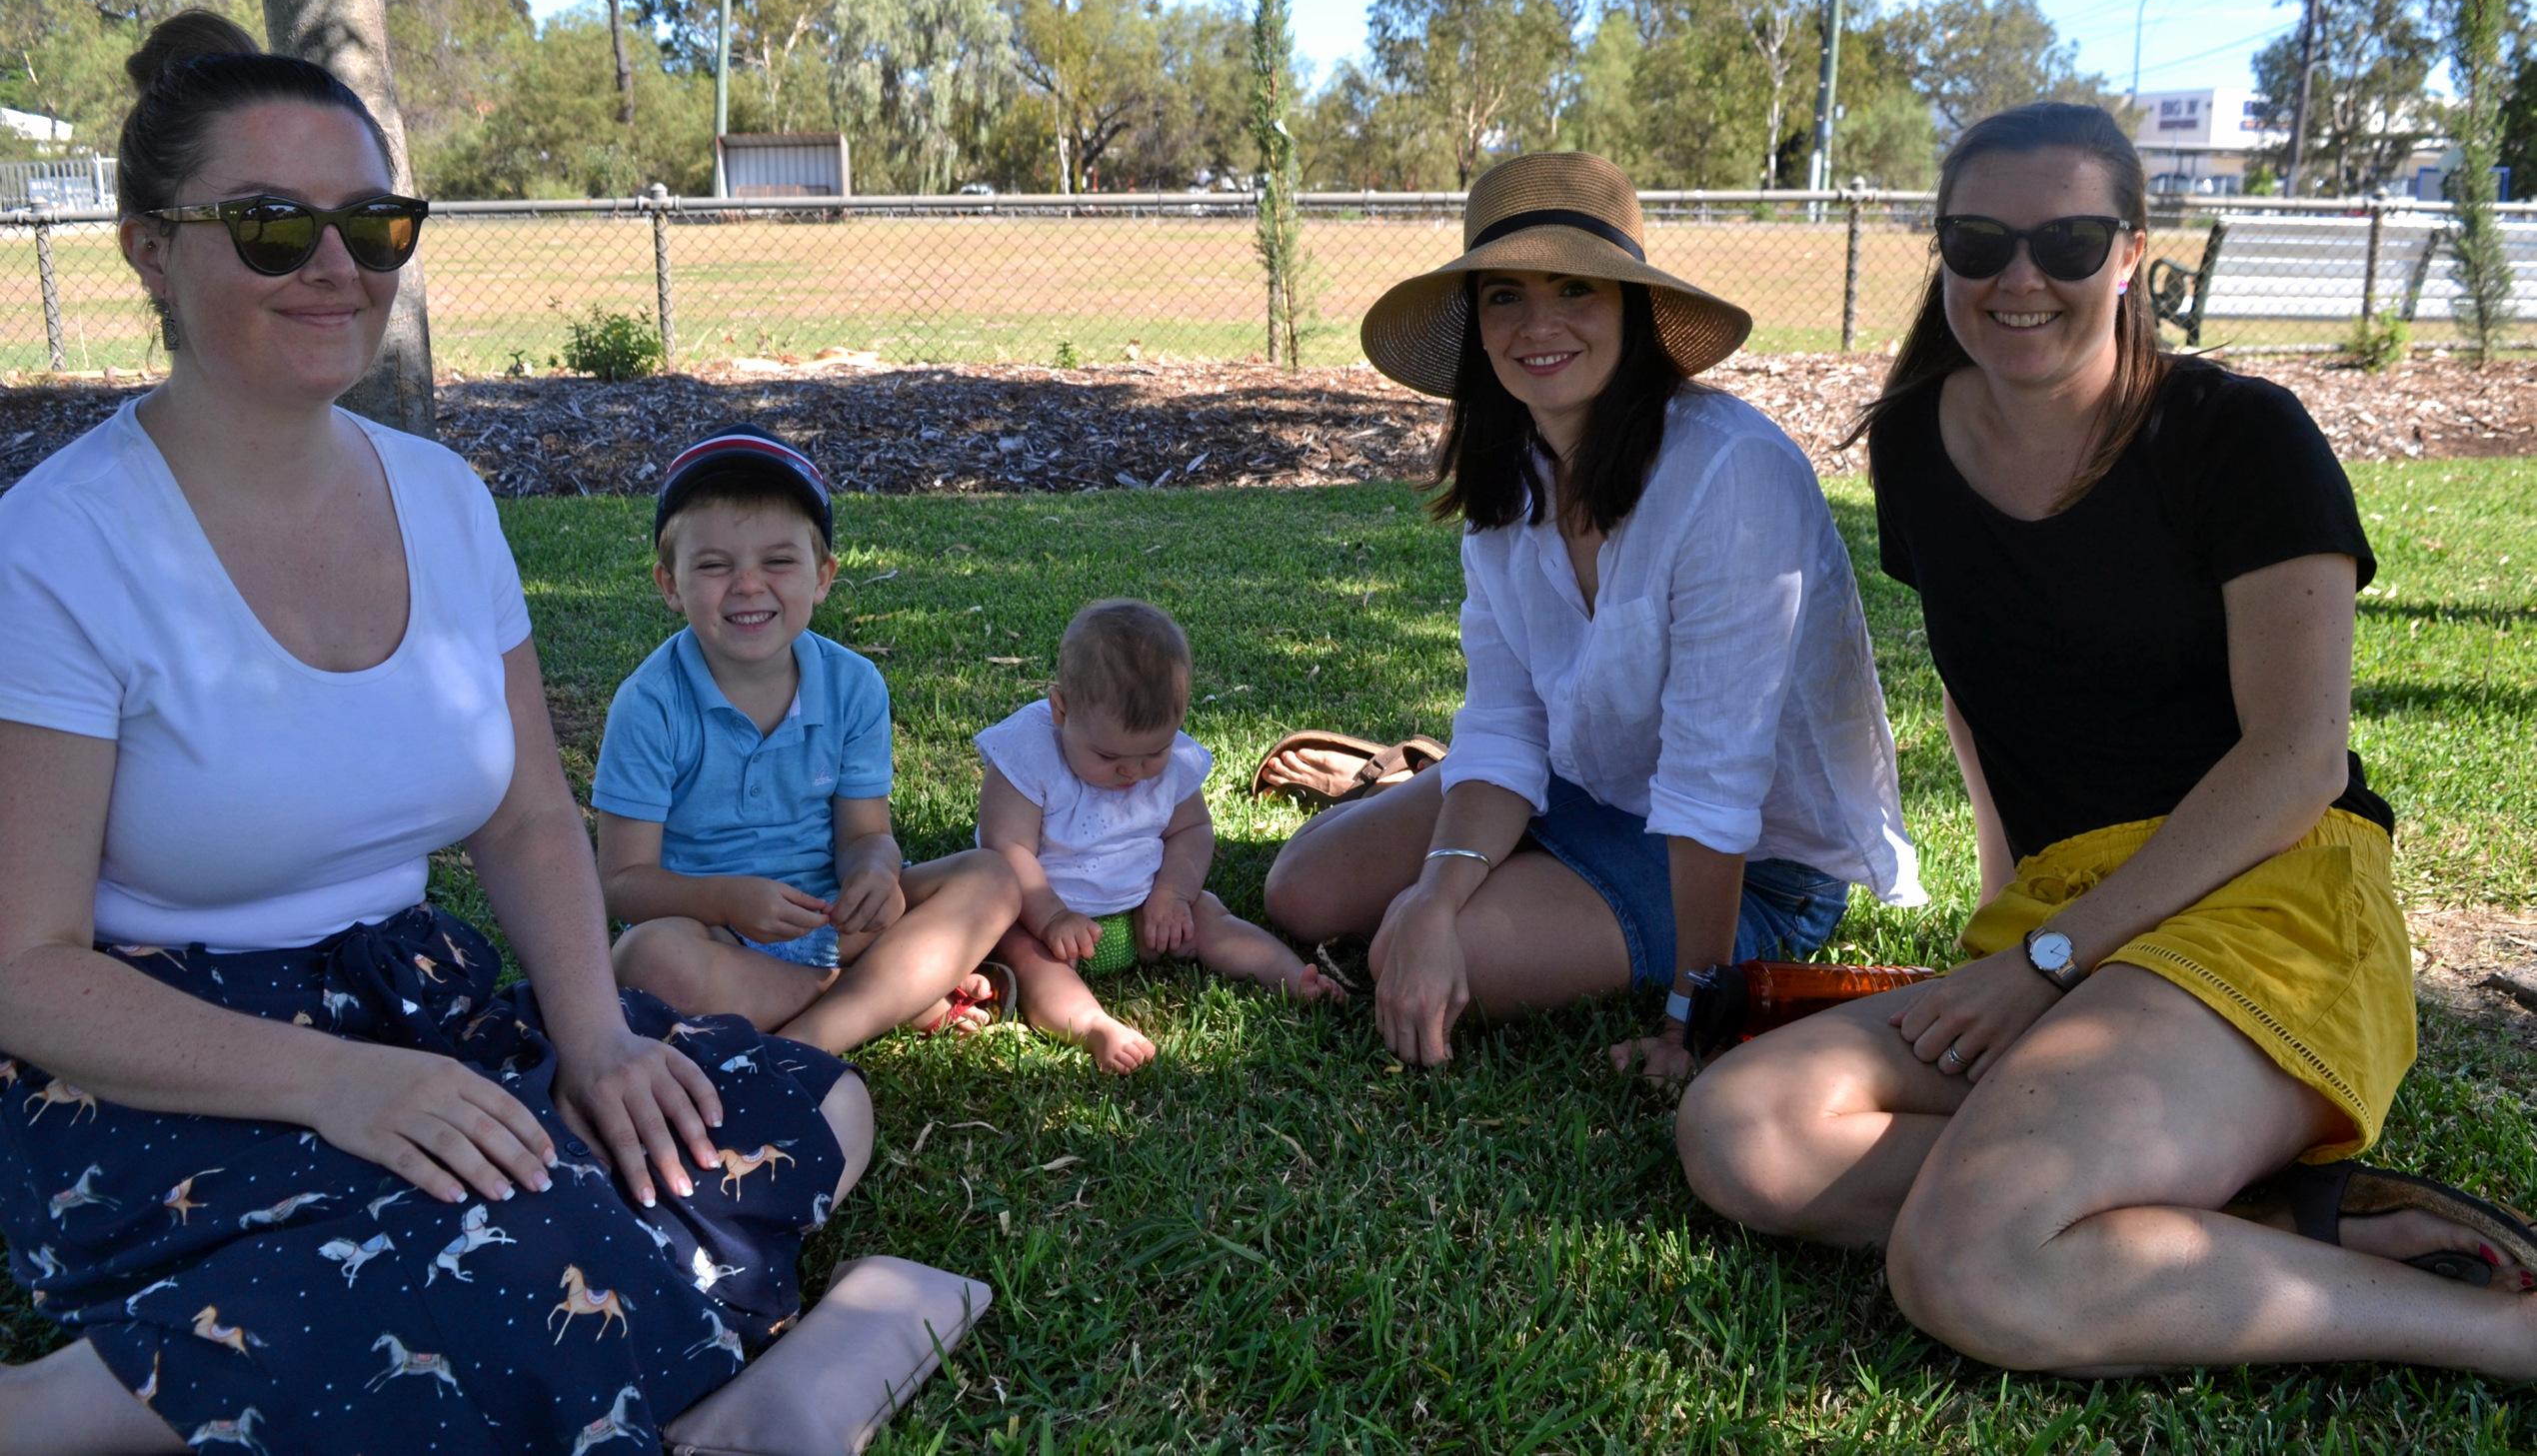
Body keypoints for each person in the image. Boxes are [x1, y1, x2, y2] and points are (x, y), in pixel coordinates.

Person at [0, 11, 875, 1456]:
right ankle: (49, 1416)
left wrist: (592, 1036)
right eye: (272, 226)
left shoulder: (445, 499)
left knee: (804, 1101)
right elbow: (23, 971)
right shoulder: (55, 548)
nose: (337, 266)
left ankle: (277, 1364)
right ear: (150, 245)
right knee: (515, 1236)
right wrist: (339, 1082)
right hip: (167, 1051)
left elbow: (531, 817)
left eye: (374, 222)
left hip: (415, 988)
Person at [1677, 101, 2537, 1380]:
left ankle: (2494, 1331)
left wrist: (2055, 956)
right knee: (1741, 1130)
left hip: (2270, 896)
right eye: (1979, 243)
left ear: (2134, 255)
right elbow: (1981, 695)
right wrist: (2010, 913)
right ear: (1944, 254)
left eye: (2069, 242)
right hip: (2069, 910)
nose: (2021, 277)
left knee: (1972, 1263)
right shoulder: (1916, 443)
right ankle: (2262, 1222)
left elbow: (2297, 762)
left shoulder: (2241, 439)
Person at [1263, 151, 1922, 1073]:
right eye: (1504, 295)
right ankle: (1454, 818)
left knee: (1467, 960)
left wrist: (1699, 1012)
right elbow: (1505, 719)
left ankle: (1491, 849)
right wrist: (1433, 896)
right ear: (1477, 325)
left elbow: (1714, 781)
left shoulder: (1729, 473)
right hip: (1586, 786)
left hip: (1756, 868)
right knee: (1301, 891)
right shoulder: (1512, 476)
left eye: (1576, 287)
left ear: (1631, 310)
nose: (1539, 323)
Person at [596, 423, 1022, 1053]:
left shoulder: (854, 685)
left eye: (778, 561)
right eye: (713, 565)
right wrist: (726, 900)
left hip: (836, 921)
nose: (747, 584)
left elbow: (864, 836)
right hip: (715, 933)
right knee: (642, 960)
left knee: (992, 877)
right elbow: (622, 881)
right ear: (669, 583)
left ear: (822, 576)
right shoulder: (650, 702)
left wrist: (874, 874)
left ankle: (810, 1035)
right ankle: (879, 999)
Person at [977, 600, 1343, 1075]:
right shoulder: (1027, 754)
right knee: (1021, 952)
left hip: (1145, 915)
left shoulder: (1167, 763)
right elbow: (1008, 850)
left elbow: (1191, 829)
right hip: (1046, 920)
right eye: (1109, 757)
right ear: (1061, 710)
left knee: (1208, 913)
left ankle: (1293, 977)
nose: (1132, 772)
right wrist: (1051, 918)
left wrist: (1171, 896)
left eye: (1154, 753)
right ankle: (1092, 1026)